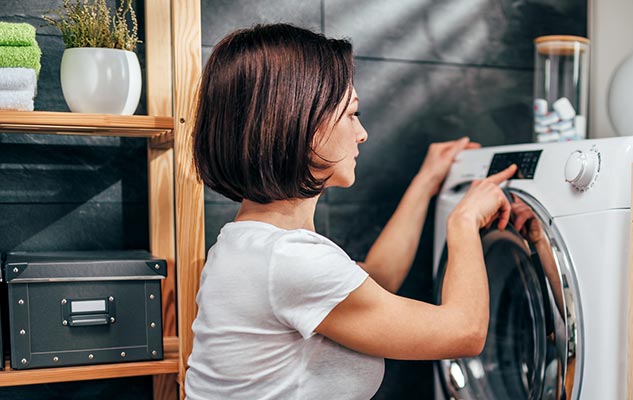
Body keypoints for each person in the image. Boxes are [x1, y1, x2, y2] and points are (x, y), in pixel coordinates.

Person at [184, 23, 517, 399]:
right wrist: (465, 220)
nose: (362, 133)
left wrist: (426, 181)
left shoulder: (247, 244)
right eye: (351, 114)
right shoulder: (290, 261)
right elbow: (465, 332)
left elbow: (379, 279)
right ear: (301, 125)